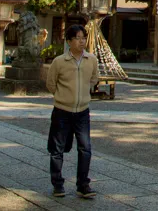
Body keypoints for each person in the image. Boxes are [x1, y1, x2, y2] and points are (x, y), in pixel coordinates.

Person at [46, 24, 99, 199]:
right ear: (69, 41)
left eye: (84, 38)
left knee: (85, 148)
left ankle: (83, 184)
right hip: (62, 110)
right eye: (77, 38)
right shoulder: (59, 61)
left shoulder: (91, 60)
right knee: (57, 149)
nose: (82, 41)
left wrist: (83, 94)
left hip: (83, 110)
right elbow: (51, 84)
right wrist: (63, 96)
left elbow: (94, 79)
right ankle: (58, 184)